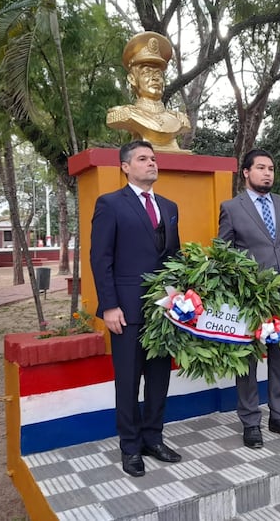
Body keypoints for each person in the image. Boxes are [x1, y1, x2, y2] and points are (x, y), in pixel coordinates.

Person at [90, 140, 182, 477]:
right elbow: (100, 259)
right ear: (125, 167)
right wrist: (110, 306)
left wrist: (179, 300)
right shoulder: (110, 204)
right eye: (143, 159)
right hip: (126, 311)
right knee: (128, 381)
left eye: (154, 159)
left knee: (159, 379)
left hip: (163, 311)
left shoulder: (170, 207)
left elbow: (174, 257)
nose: (151, 164)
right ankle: (130, 448)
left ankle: (153, 438)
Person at [218, 149, 280, 449]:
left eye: (271, 168)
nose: (267, 173)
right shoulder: (231, 208)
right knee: (248, 361)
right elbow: (223, 255)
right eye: (260, 168)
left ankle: (279, 416)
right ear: (246, 172)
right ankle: (251, 421)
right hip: (250, 299)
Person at [107, 31, 191, 153]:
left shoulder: (180, 119)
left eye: (158, 73)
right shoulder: (125, 114)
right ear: (132, 79)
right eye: (147, 72)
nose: (155, 78)